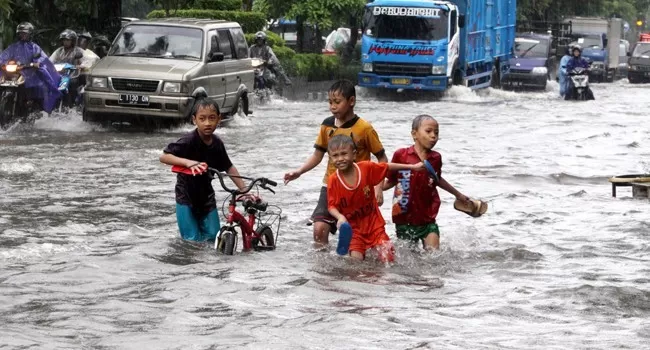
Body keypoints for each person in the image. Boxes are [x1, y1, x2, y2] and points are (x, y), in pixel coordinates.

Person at [284, 79, 388, 247]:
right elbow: (317, 155)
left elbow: (382, 159)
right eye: (330, 102)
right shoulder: (326, 126)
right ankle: (323, 271)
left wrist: (379, 188)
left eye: (337, 102)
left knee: (363, 235)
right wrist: (299, 171)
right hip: (331, 186)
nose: (332, 106)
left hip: (359, 189)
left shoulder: (365, 129)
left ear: (351, 101)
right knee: (319, 229)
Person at [159, 98, 250, 242]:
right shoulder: (188, 141)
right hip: (185, 198)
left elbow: (228, 167)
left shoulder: (217, 144)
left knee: (214, 236)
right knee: (192, 240)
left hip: (207, 198)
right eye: (202, 119)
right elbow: (164, 157)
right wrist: (188, 162)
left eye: (212, 118)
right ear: (194, 120)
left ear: (219, 119)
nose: (207, 123)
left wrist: (244, 190)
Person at [326, 135, 425, 262]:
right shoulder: (333, 181)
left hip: (374, 224)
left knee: (388, 256)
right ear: (330, 158)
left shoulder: (366, 168)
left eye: (344, 154)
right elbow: (331, 206)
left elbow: (387, 166)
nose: (340, 159)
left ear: (354, 154)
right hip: (354, 229)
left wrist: (413, 167)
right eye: (335, 156)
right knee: (356, 263)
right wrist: (339, 216)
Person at [383, 115, 472, 250]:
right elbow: (391, 180)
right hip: (404, 217)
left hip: (428, 216)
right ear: (414, 134)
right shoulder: (401, 155)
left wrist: (458, 195)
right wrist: (375, 190)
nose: (433, 136)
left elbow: (438, 180)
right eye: (428, 131)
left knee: (433, 257)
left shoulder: (436, 158)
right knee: (409, 259)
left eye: (436, 133)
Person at [0, 22, 61, 114]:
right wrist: (3, 62)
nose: (22, 35)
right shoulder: (13, 47)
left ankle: (36, 104)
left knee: (43, 80)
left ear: (30, 34)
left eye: (25, 33)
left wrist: (36, 63)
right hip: (16, 72)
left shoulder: (34, 47)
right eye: (21, 33)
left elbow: (43, 58)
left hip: (30, 72)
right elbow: (4, 55)